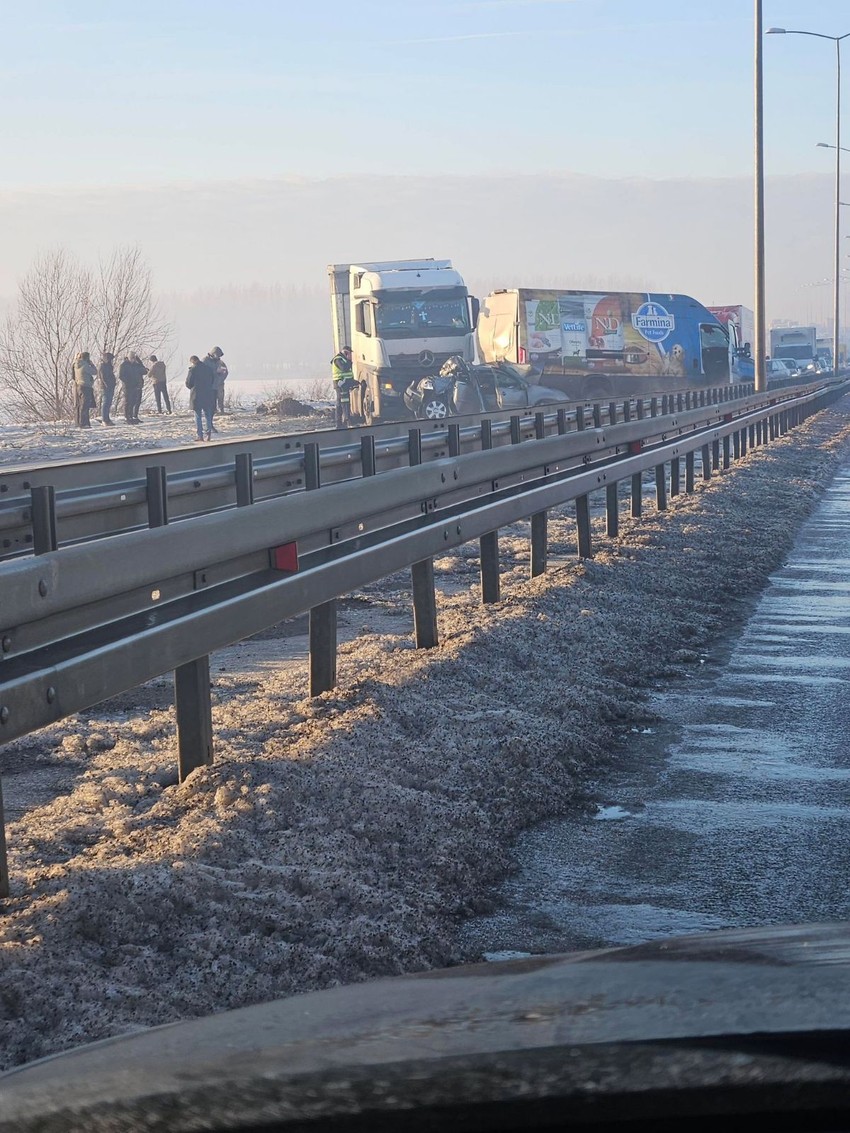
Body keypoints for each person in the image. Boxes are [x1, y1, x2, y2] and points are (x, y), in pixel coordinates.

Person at [186, 354, 216, 441]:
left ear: (193, 361)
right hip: (207, 394)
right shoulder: (208, 369)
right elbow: (212, 380)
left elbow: (188, 383)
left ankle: (200, 435)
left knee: (198, 416)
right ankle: (208, 433)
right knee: (208, 414)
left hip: (197, 395)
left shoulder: (193, 370)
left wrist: (192, 387)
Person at [331, 345, 356, 426]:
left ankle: (341, 421)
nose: (350, 355)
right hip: (340, 384)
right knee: (343, 403)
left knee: (343, 402)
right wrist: (349, 361)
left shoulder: (344, 360)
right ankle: (343, 421)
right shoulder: (338, 359)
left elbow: (347, 374)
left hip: (344, 384)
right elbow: (344, 369)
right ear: (345, 352)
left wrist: (355, 382)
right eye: (349, 353)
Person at [119, 351, 147, 424]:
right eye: (131, 358)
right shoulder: (124, 365)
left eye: (134, 358)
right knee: (128, 402)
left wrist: (140, 362)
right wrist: (128, 382)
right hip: (128, 386)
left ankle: (131, 416)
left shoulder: (136, 365)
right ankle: (127, 417)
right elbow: (121, 376)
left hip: (136, 386)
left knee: (134, 401)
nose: (133, 359)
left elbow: (144, 371)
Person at [73, 351, 97, 428]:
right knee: (85, 405)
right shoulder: (85, 365)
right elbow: (95, 372)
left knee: (80, 405)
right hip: (86, 386)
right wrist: (92, 364)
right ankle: (84, 423)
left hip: (79, 386)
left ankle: (80, 422)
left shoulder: (76, 364)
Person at [97, 352, 116, 425]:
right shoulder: (103, 366)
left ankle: (107, 418)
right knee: (106, 402)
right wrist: (107, 385)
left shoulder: (109, 366)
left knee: (108, 403)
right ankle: (104, 419)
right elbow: (103, 377)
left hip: (110, 386)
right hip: (106, 387)